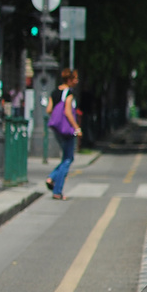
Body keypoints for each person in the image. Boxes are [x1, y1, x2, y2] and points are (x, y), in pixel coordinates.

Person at [46, 69, 83, 200]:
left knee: (66, 158)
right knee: (67, 159)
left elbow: (49, 109)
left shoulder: (54, 92)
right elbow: (68, 112)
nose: (77, 81)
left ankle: (52, 178)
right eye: (75, 79)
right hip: (67, 130)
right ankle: (57, 191)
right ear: (69, 80)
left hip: (57, 129)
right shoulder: (69, 94)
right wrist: (76, 128)